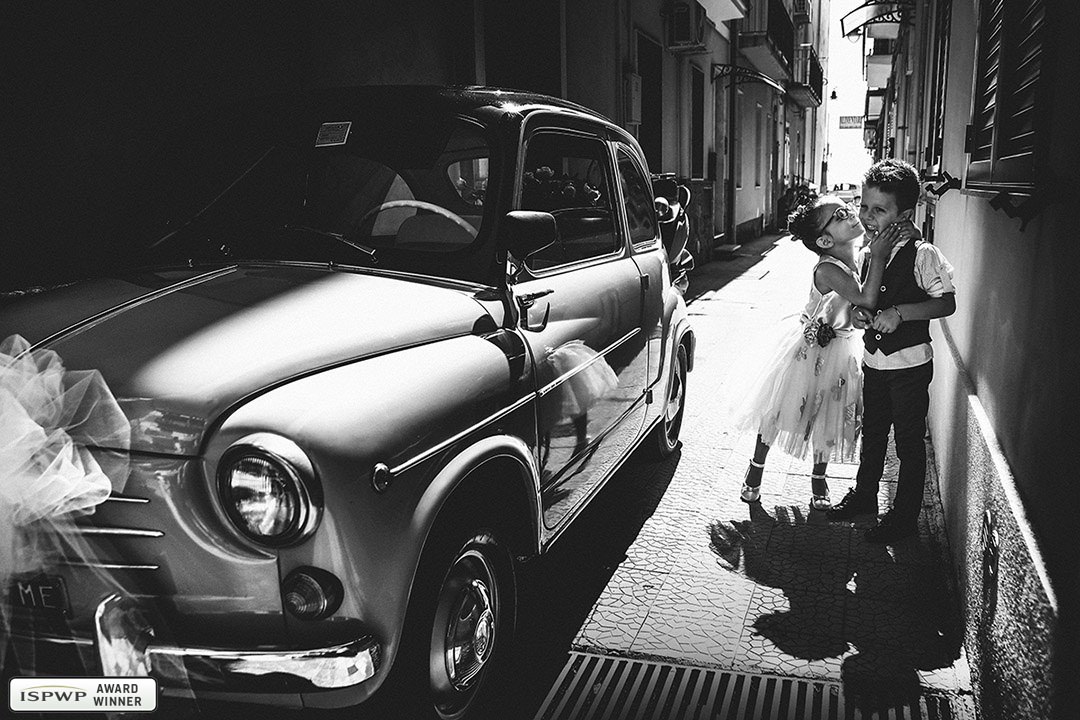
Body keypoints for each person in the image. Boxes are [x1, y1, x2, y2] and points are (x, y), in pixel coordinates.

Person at [735, 195, 908, 510]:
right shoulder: (827, 269)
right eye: (840, 214)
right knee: (781, 409)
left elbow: (859, 308)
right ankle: (756, 468)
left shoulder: (859, 257)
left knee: (830, 413)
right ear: (825, 239)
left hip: (841, 348)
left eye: (847, 207)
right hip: (808, 352)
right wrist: (880, 257)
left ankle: (819, 477)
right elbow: (865, 297)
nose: (851, 213)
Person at [827, 159, 956, 543]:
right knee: (875, 432)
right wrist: (862, 314)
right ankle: (865, 496)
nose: (867, 216)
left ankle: (904, 519)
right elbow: (866, 299)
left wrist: (901, 313)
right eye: (864, 206)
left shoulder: (923, 253)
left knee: (909, 442)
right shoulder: (871, 254)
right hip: (875, 361)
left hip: (910, 364)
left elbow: (946, 303)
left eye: (879, 210)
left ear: (904, 213)